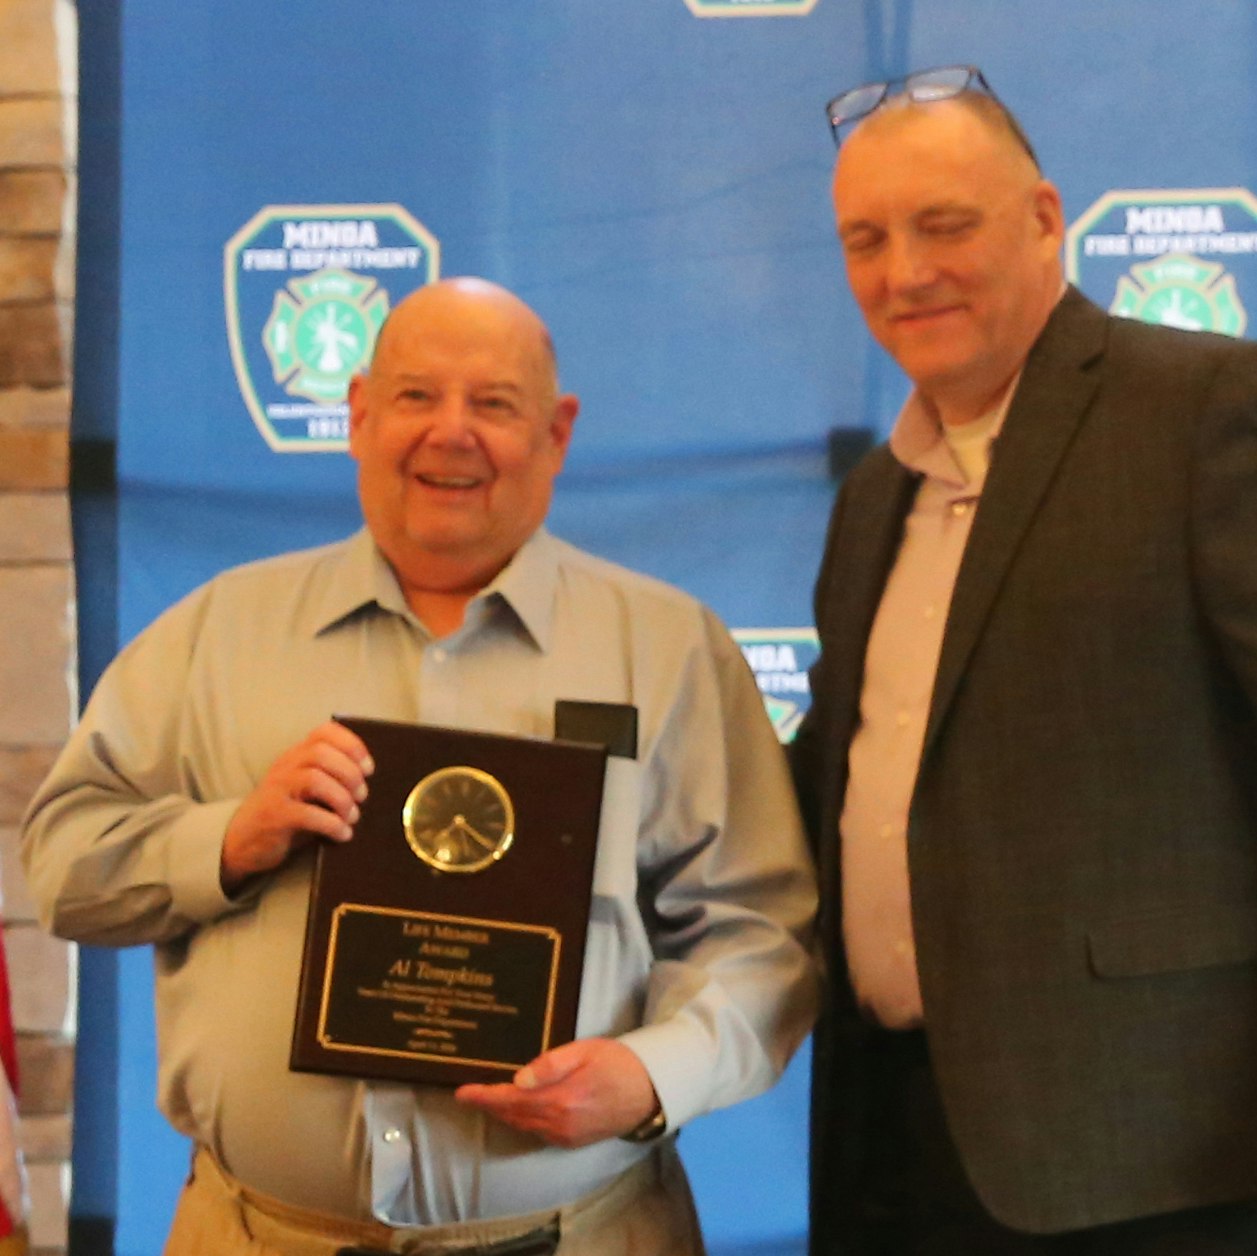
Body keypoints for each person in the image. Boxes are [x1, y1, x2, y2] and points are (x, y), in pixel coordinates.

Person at [22, 278, 819, 1256]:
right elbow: (62, 867)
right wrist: (230, 838)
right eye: (415, 396)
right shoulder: (216, 633)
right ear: (359, 413)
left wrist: (654, 1074)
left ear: (556, 433)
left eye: (494, 403)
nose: (452, 432)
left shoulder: (669, 650)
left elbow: (761, 933)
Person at [793, 66, 1257, 1254]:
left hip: (1157, 1165)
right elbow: (821, 785)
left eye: (945, 224)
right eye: (866, 239)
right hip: (893, 1144)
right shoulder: (872, 497)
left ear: (1046, 220)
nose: (905, 272)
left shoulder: (1206, 409)